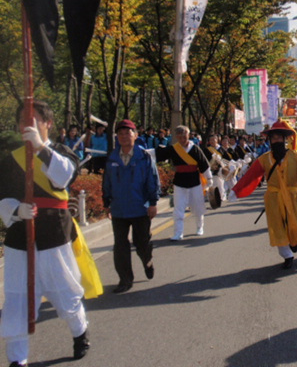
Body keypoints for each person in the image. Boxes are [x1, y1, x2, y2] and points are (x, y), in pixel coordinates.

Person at [0, 101, 90, 366]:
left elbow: (64, 177)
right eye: (23, 119)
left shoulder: (62, 152)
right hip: (19, 238)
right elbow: (2, 195)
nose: (28, 124)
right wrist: (16, 210)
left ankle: (80, 332)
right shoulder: (10, 159)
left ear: (48, 123)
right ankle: (18, 358)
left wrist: (40, 148)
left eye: (35, 118)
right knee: (17, 299)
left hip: (54, 234)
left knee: (65, 293)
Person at [229, 120, 297, 269]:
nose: (276, 140)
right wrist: (236, 190)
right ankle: (287, 255)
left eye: (278, 137)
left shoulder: (296, 156)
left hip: (293, 196)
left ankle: (293, 240)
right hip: (274, 198)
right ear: (270, 140)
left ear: (284, 139)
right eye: (273, 138)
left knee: (296, 225)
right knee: (277, 227)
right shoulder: (264, 159)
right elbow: (250, 176)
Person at [102, 120, 160, 294]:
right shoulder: (112, 157)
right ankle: (125, 280)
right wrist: (106, 202)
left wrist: (153, 203)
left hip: (139, 207)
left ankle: (147, 260)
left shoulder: (144, 156)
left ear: (135, 135)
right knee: (120, 245)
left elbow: (152, 180)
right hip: (119, 208)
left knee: (141, 243)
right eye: (120, 134)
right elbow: (107, 182)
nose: (124, 137)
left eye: (128, 133)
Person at [156, 125, 213, 241]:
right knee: (178, 208)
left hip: (194, 182)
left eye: (185, 136)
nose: (183, 139)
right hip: (179, 182)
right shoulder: (173, 149)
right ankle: (178, 233)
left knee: (198, 206)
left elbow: (204, 164)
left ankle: (199, 227)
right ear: (176, 137)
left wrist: (209, 178)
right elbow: (158, 153)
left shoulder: (195, 148)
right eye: (180, 136)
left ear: (188, 135)